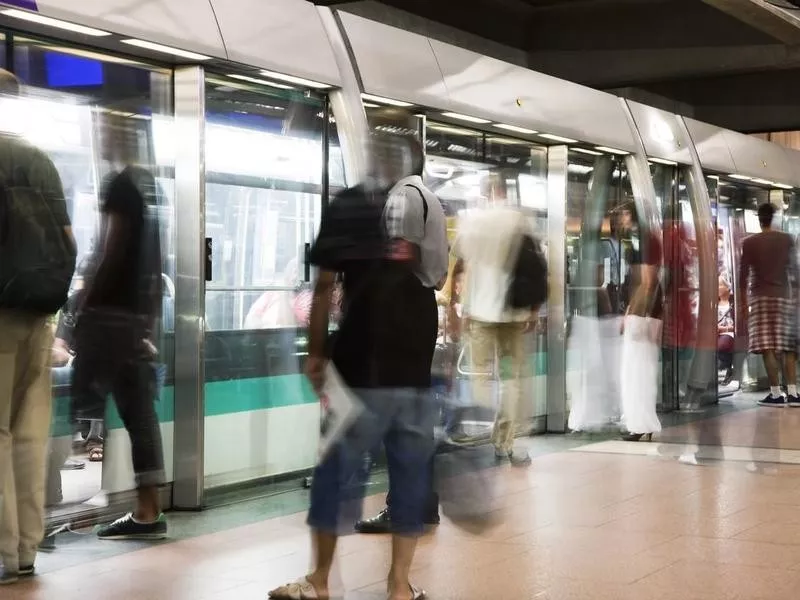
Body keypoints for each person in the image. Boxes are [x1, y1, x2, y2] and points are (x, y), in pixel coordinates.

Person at [268, 134, 446, 600]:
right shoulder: (429, 202)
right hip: (413, 357)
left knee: (335, 471)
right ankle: (399, 587)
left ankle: (319, 582)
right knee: (409, 470)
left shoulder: (349, 203)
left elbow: (325, 286)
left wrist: (316, 352)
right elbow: (438, 276)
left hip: (359, 360)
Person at [72, 115, 166, 539]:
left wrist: (83, 303)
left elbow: (112, 248)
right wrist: (146, 321)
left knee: (84, 403)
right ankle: (147, 509)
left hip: (110, 317)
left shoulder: (120, 186)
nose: (101, 136)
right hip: (134, 320)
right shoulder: (150, 188)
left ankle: (81, 499)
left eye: (106, 130)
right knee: (139, 412)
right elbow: (156, 262)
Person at [0, 69, 77, 584]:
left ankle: (3, 551)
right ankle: (27, 547)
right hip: (38, 315)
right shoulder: (39, 159)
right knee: (28, 431)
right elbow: (68, 243)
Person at [355, 149, 448, 535]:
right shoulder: (427, 195)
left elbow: (401, 254)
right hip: (418, 304)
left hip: (404, 305)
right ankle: (421, 503)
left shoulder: (404, 196)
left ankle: (404, 506)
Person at [451, 205, 540, 465]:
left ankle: (464, 427)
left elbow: (459, 264)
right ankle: (504, 441)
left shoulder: (474, 221)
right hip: (511, 315)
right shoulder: (518, 220)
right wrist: (532, 310)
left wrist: (454, 307)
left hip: (479, 314)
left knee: (477, 371)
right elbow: (536, 266)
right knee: (510, 380)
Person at [739, 202, 799, 407]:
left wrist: (742, 305)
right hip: (784, 297)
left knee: (768, 347)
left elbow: (742, 276)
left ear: (759, 218)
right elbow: (795, 272)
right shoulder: (786, 240)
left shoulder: (749, 242)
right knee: (788, 346)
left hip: (760, 298)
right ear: (773, 218)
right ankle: (793, 393)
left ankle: (775, 394)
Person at [717, 276, 736, 386]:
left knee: (722, 344)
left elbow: (739, 323)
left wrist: (724, 329)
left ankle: (727, 368)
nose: (717, 288)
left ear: (727, 287)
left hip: (729, 333)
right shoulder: (713, 302)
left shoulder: (734, 303)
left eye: (719, 285)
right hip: (716, 332)